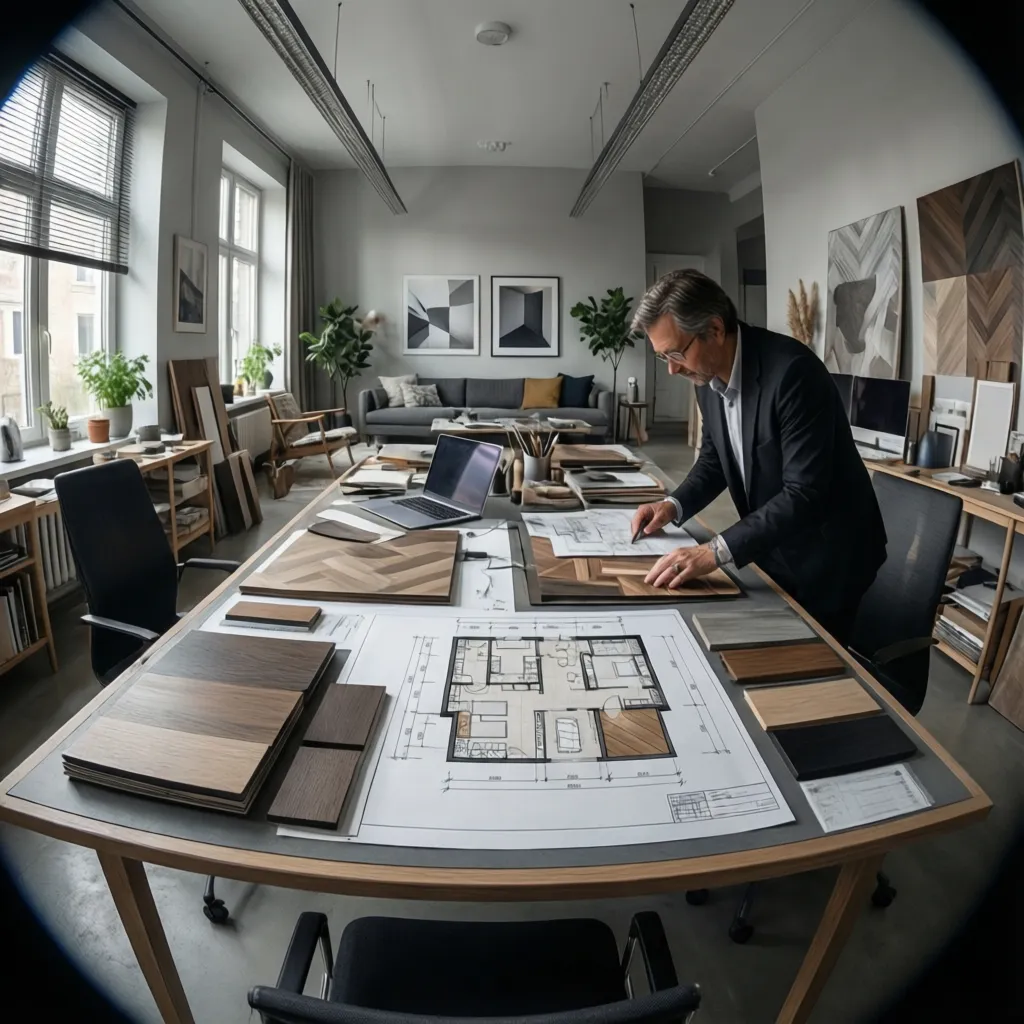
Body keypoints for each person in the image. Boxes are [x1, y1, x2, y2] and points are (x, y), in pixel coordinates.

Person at [629, 269, 887, 644]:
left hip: (829, 557)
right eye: (661, 356)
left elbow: (804, 493)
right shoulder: (705, 376)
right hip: (774, 545)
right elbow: (715, 461)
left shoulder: (793, 373)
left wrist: (712, 552)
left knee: (806, 671)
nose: (671, 368)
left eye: (676, 353)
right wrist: (672, 505)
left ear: (715, 330)